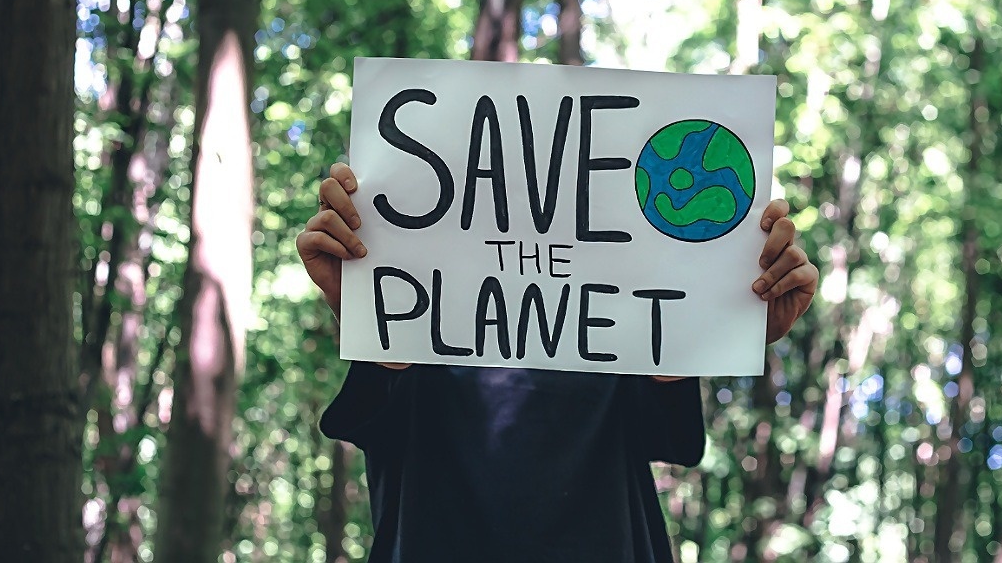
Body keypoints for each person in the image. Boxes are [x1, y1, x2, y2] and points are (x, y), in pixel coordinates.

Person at [297, 162, 818, 563]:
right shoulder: (426, 309)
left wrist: (725, 319)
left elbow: (669, 436)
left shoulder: (618, 316)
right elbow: (369, 415)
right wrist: (373, 311)